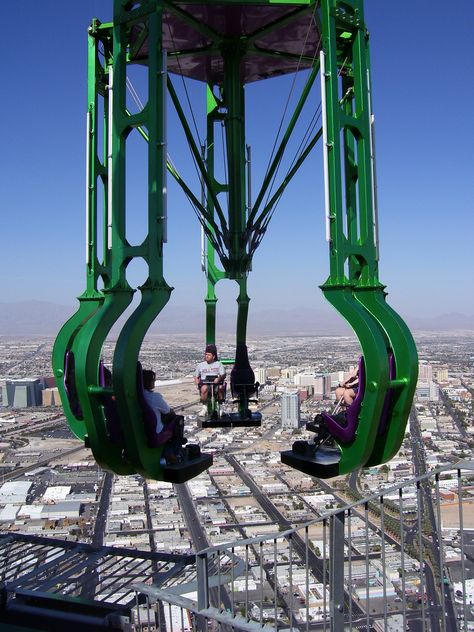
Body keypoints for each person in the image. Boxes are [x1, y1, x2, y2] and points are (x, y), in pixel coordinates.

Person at [194, 344, 226, 417]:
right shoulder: (200, 365)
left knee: (221, 388)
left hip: (216, 384)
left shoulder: (219, 364)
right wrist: (197, 382)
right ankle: (204, 407)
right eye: (206, 355)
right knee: (204, 388)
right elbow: (196, 376)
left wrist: (219, 378)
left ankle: (220, 407)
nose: (206, 356)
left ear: (213, 356)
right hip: (205, 384)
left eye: (209, 355)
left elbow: (223, 375)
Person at [142, 369, 173, 434]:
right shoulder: (154, 397)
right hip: (156, 431)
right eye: (153, 380)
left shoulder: (137, 395)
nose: (154, 381)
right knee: (177, 419)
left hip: (142, 430)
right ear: (147, 382)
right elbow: (167, 411)